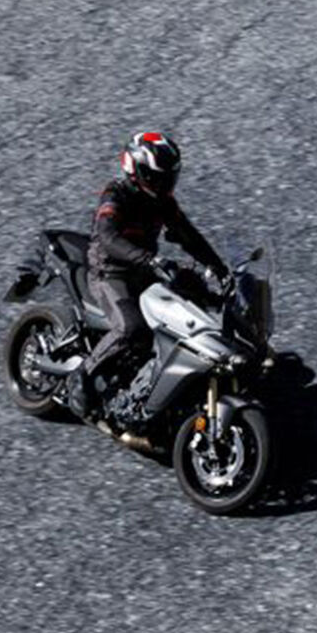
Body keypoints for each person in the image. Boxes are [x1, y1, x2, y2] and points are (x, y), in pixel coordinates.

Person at [66, 131, 228, 422]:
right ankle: (82, 376)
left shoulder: (162, 200)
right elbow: (108, 236)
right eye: (157, 177)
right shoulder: (116, 195)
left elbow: (187, 234)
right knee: (131, 328)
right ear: (137, 170)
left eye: (169, 178)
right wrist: (150, 259)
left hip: (144, 271)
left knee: (193, 294)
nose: (165, 184)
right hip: (109, 273)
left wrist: (219, 267)